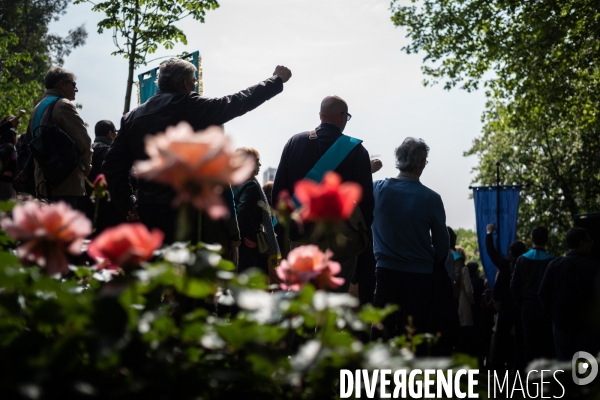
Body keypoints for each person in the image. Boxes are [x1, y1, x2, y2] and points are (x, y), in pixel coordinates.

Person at [103, 58, 292, 244]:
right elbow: (237, 102)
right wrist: (275, 80)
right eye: (194, 81)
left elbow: (112, 165)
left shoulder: (131, 118)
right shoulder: (190, 105)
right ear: (185, 83)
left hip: (146, 211)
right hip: (186, 213)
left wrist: (128, 202)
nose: (194, 86)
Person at [272, 95, 374, 293]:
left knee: (300, 304)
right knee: (334, 305)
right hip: (341, 242)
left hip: (300, 239)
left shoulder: (294, 142)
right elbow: (366, 203)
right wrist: (358, 235)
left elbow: (279, 192)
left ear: (320, 115)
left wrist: (286, 233)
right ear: (343, 116)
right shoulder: (357, 151)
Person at [370, 137, 449, 340]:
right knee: (413, 333)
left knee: (381, 330)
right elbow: (442, 245)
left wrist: (366, 170)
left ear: (398, 160)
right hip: (420, 276)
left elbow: (348, 189)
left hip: (385, 270)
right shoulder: (431, 198)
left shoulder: (377, 189)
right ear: (422, 164)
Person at [26, 66, 93, 207]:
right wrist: (86, 165)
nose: (76, 89)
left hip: (43, 182)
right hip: (66, 183)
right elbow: (84, 141)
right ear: (62, 84)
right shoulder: (63, 105)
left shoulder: (37, 108)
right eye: (73, 84)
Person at [539, 227, 600, 360]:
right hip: (587, 329)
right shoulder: (595, 267)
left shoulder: (555, 264)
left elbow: (543, 293)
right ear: (581, 244)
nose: (591, 244)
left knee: (564, 366)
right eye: (589, 241)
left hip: (561, 325)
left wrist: (552, 317)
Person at [485, 223, 526, 371]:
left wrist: (489, 233)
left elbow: (490, 251)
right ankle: (520, 367)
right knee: (521, 339)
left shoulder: (504, 265)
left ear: (510, 253)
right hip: (521, 307)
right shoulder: (526, 266)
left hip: (505, 307)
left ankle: (498, 368)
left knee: (501, 338)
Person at [511, 226, 555, 362]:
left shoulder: (521, 260)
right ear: (547, 240)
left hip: (527, 308)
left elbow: (513, 286)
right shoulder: (552, 260)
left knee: (529, 344)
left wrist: (521, 304)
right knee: (546, 344)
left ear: (531, 240)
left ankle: (530, 379)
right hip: (545, 309)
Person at [233, 148, 280, 275]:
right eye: (257, 161)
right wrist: (244, 237)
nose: (260, 165)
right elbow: (241, 214)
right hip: (249, 244)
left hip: (240, 243)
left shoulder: (233, 182)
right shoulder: (251, 184)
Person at [80, 120, 124, 234]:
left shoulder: (86, 153)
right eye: (115, 132)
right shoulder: (112, 153)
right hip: (109, 208)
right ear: (110, 134)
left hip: (85, 205)